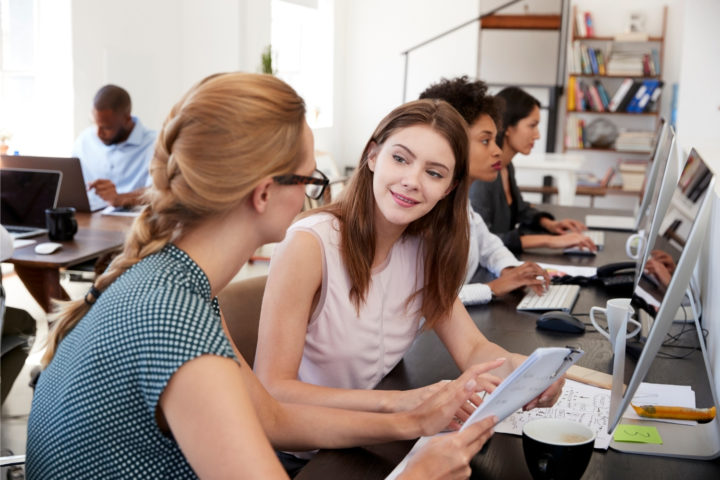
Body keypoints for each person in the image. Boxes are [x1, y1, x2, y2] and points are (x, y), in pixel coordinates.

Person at [27, 73, 502, 479]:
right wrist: (416, 473)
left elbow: (272, 417)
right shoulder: (174, 321)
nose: (312, 201)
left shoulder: (177, 285)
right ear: (264, 193)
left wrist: (411, 417)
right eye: (309, 181)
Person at [254, 98, 565, 465]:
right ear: (373, 156)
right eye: (400, 158)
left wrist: (525, 370)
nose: (412, 182)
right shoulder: (310, 243)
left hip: (373, 441)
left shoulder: (424, 247)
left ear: (449, 188)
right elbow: (273, 390)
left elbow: (473, 350)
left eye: (434, 173)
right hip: (304, 456)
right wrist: (400, 404)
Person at [419, 76, 549, 303]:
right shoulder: (425, 212)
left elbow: (489, 245)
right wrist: (492, 288)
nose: (498, 151)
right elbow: (425, 300)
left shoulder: (460, 202)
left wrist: (509, 270)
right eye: (485, 141)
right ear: (451, 142)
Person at [469, 87, 596, 254]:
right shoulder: (483, 177)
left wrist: (550, 224)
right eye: (532, 125)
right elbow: (484, 241)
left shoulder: (506, 166)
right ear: (507, 127)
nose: (537, 135)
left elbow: (521, 209)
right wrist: (551, 241)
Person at [72, 84, 156, 207]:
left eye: (107, 127)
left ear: (127, 119)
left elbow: (159, 192)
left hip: (132, 221)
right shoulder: (84, 140)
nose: (98, 133)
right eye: (94, 124)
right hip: (89, 219)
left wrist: (119, 198)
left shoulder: (155, 145)